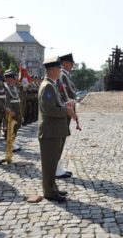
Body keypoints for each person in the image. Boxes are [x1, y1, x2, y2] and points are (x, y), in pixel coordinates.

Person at [38, 56, 75, 203]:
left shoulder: (53, 84)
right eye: (59, 68)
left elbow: (57, 105)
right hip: (50, 131)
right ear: (52, 69)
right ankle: (49, 191)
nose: (61, 71)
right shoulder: (47, 86)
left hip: (55, 130)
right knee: (49, 164)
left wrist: (66, 106)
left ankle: (53, 188)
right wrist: (66, 110)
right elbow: (50, 110)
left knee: (53, 163)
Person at [57, 53, 78, 178]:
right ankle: (56, 167)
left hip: (67, 109)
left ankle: (58, 166)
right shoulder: (62, 75)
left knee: (62, 138)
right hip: (64, 110)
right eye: (70, 64)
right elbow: (64, 95)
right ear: (65, 63)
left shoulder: (65, 76)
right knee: (60, 139)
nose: (71, 66)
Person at [4, 70, 22, 152]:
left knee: (15, 127)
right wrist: (10, 110)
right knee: (9, 127)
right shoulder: (6, 87)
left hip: (17, 110)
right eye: (13, 78)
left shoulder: (13, 87)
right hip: (11, 111)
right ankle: (9, 144)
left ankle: (13, 142)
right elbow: (6, 100)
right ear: (8, 79)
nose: (15, 80)